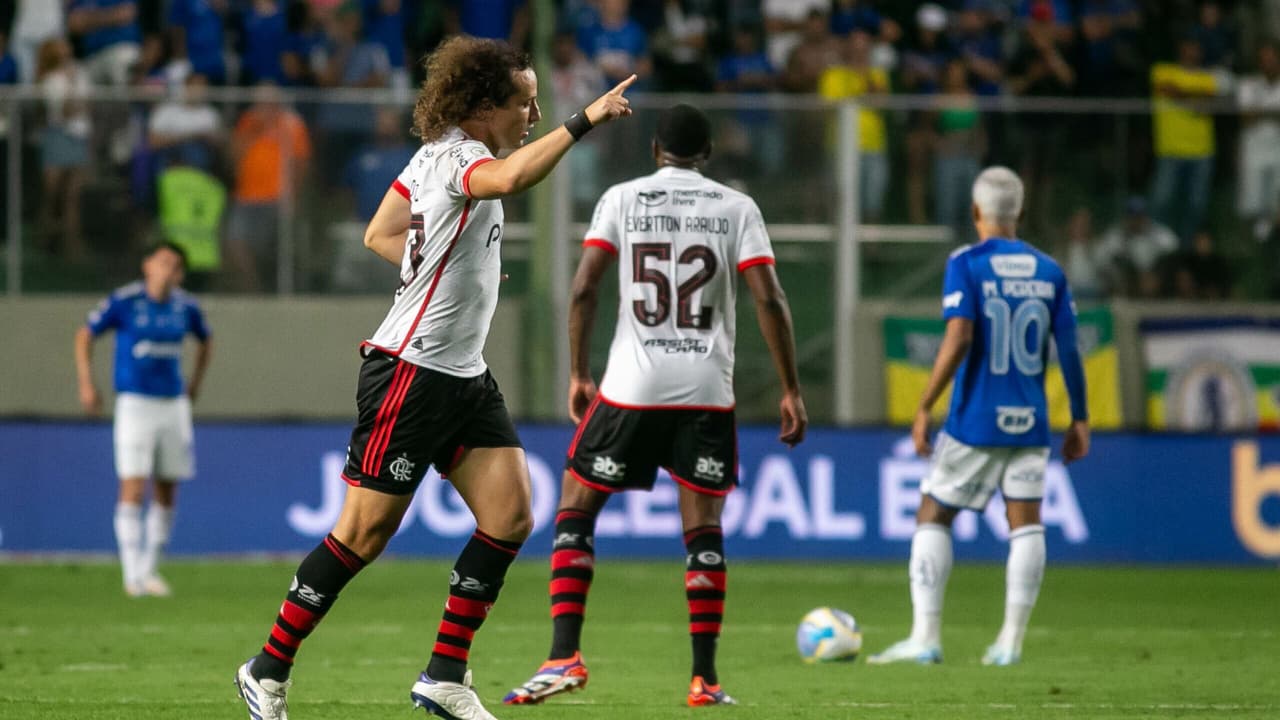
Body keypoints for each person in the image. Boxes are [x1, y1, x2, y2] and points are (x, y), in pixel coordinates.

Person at [232, 35, 635, 720]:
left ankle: (445, 674)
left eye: (539, 104)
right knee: (363, 535)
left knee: (510, 516)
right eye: (524, 102)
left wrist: (441, 272)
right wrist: (585, 118)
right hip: (411, 372)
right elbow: (509, 181)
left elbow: (380, 233)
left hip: (463, 374)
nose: (534, 114)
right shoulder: (459, 159)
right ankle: (266, 668)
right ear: (483, 105)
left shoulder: (429, 158)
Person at [503, 104, 807, 708]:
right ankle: (705, 680)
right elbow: (769, 299)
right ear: (708, 153)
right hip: (707, 391)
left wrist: (579, 372)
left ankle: (564, 655)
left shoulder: (622, 199)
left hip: (631, 388)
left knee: (576, 506)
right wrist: (790, 388)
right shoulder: (737, 208)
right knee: (703, 529)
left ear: (654, 151)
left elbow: (585, 287)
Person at [867, 166, 1089, 667]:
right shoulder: (1050, 271)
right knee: (1025, 522)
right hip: (1030, 419)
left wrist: (924, 404)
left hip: (977, 419)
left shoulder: (967, 263)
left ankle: (925, 638)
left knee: (933, 513)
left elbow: (960, 336)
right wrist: (1080, 418)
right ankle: (1010, 642)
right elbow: (1070, 348)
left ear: (975, 212)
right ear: (1021, 213)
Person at [74, 242, 213, 599]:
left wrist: (195, 383)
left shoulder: (186, 307)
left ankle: (150, 569)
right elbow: (85, 335)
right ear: (147, 265)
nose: (169, 270)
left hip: (173, 404)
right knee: (134, 485)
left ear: (180, 274)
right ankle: (131, 573)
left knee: (167, 488)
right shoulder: (125, 302)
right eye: (163, 262)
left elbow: (206, 340)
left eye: (176, 265)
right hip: (135, 403)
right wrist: (87, 383)